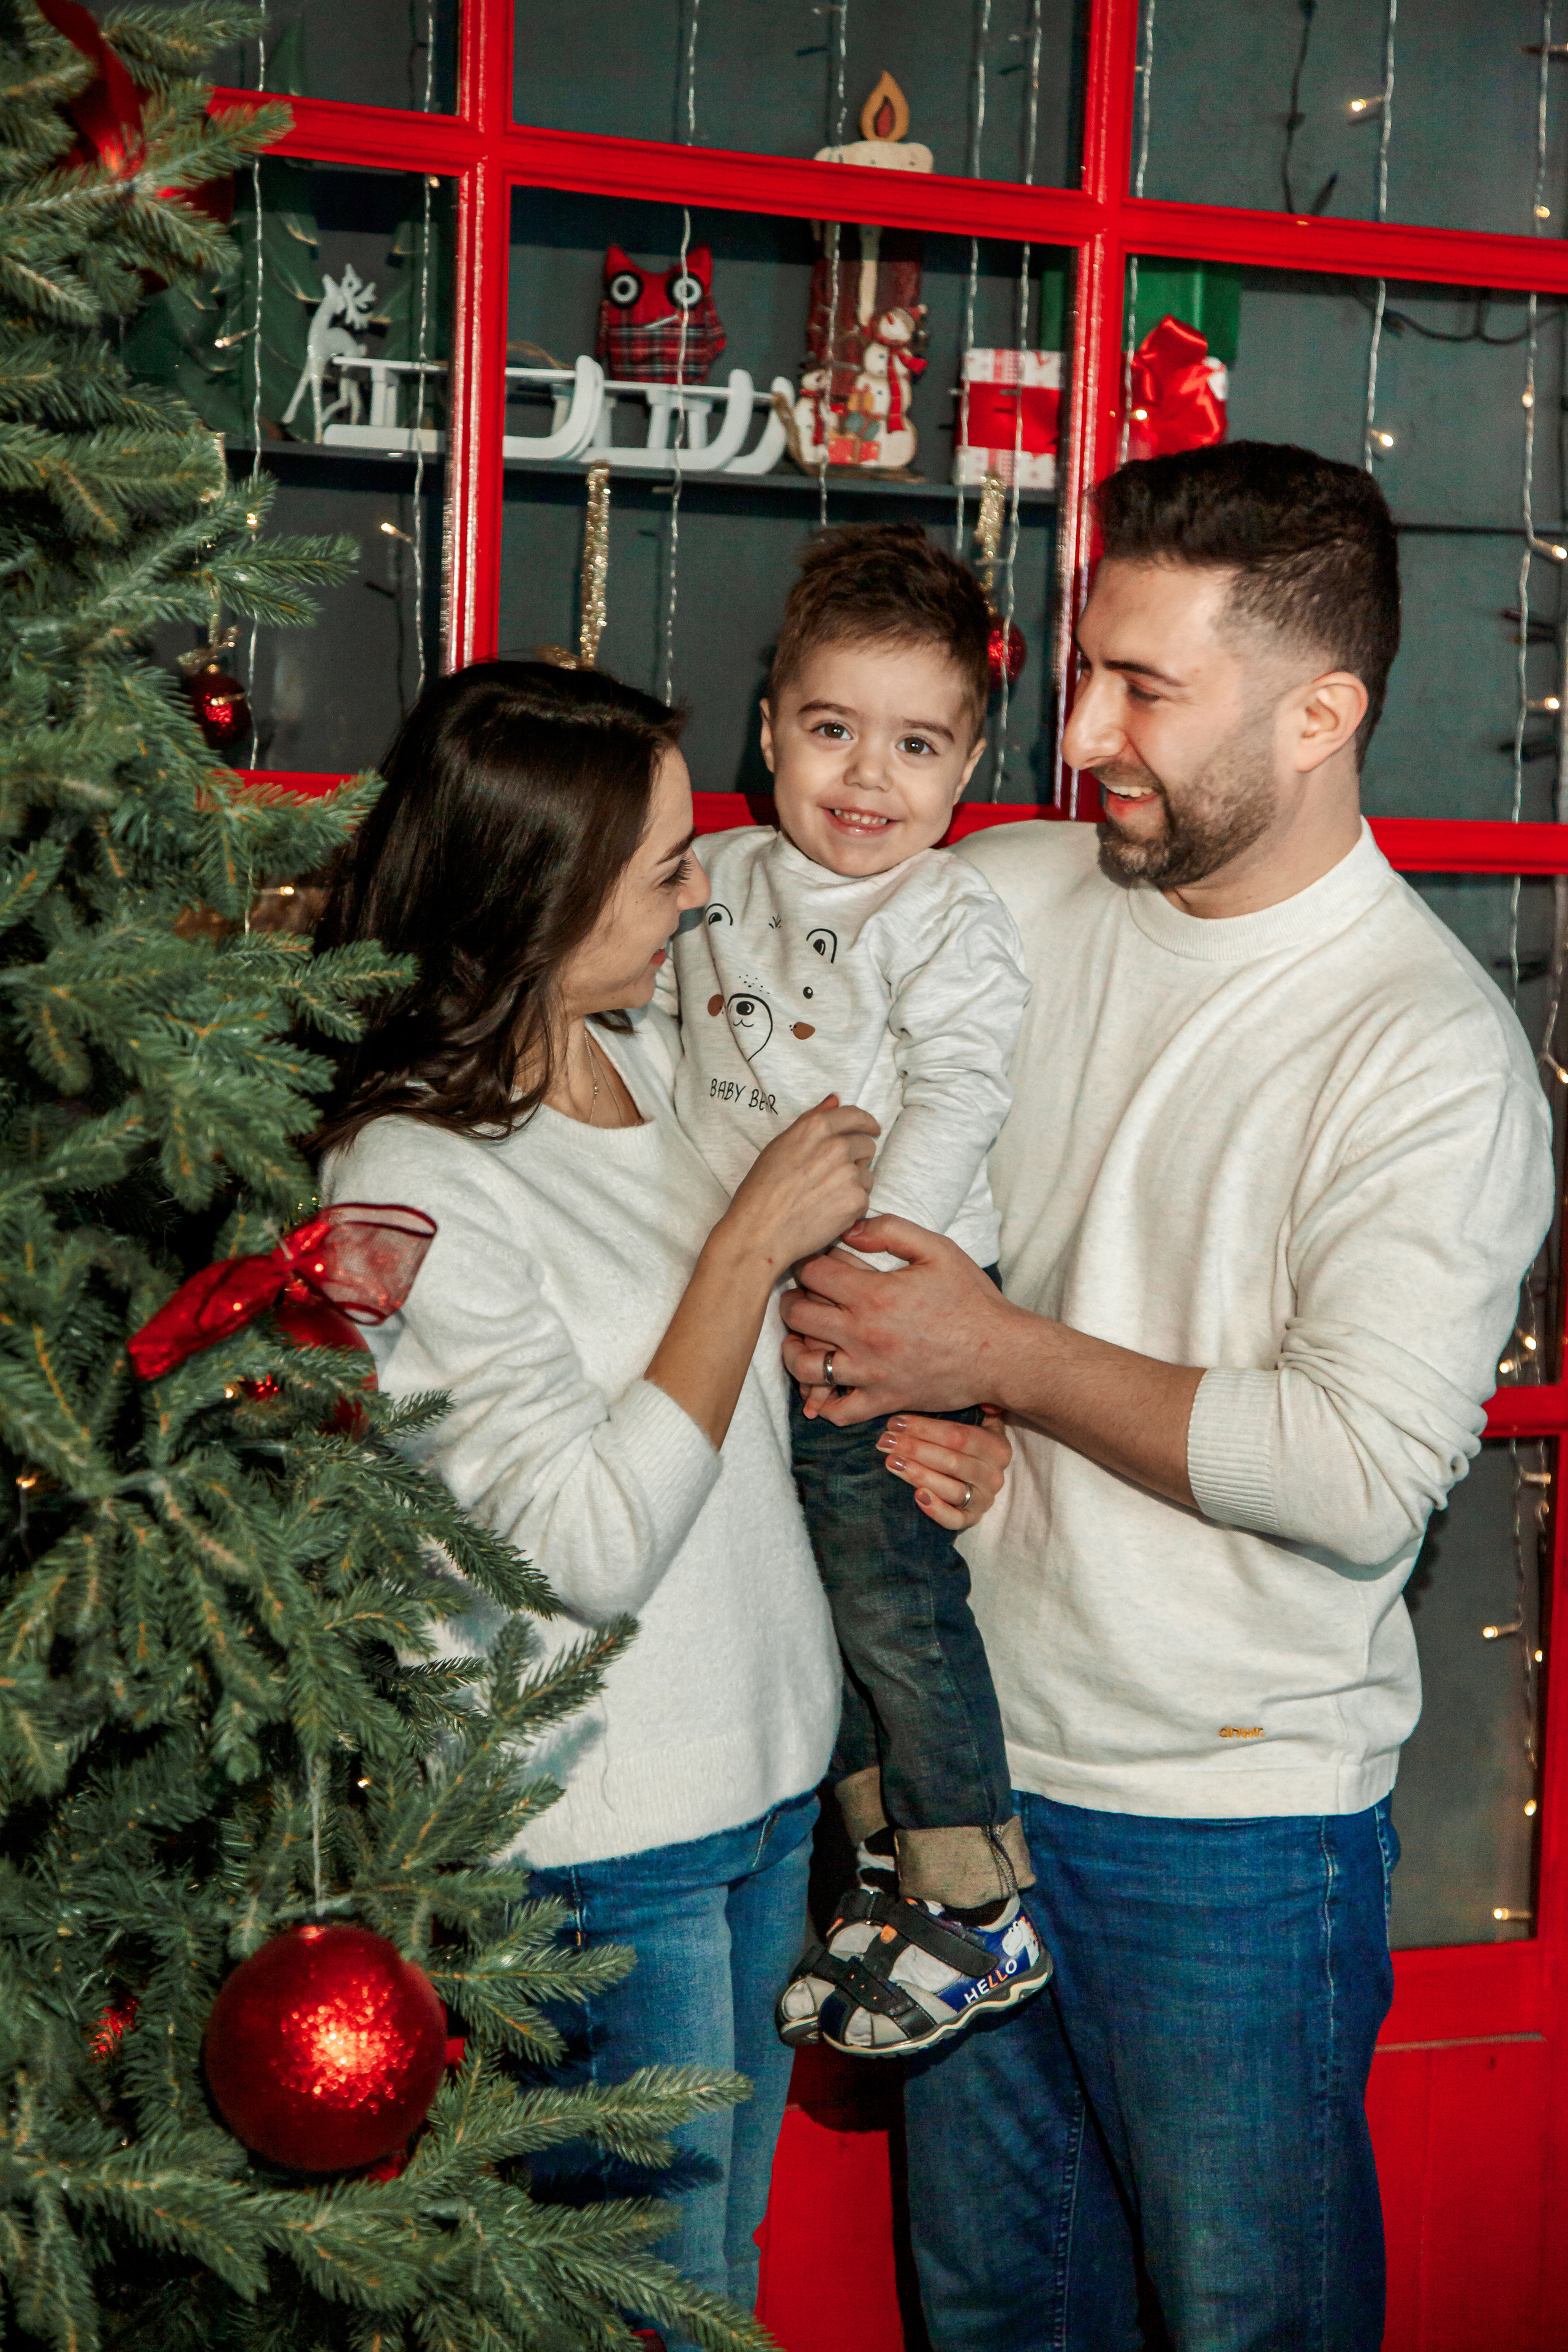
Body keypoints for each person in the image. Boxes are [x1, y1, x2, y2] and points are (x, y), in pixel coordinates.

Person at [777, 443, 1556, 2350]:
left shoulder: (1428, 1054)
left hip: (1230, 1831)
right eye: (1085, 674)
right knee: (993, 2322)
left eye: (1145, 689)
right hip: (959, 1788)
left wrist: (1000, 1361)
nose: (1082, 735)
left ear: (1320, 716)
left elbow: (1363, 1471)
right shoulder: (1005, 897)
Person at [309, 658, 1010, 2345]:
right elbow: (583, 1545)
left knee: (716, 2292)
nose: (703, 898)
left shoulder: (639, 1063)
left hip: (761, 1799)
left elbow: (756, 1413)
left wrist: (953, 1429)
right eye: (665, 869)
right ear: (539, 893)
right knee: (656, 2317)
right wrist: (745, 1247)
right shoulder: (407, 1172)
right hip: (595, 1846)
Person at [662, 524, 1047, 2059]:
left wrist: (867, 1268)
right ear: (770, 731)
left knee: (889, 1590)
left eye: (913, 745)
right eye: (831, 730)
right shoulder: (716, 881)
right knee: (808, 1601)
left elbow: (958, 1092)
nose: (866, 777)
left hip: (885, 1296)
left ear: (963, 770)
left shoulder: (943, 914)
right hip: (752, 1303)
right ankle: (890, 1869)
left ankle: (979, 1891)